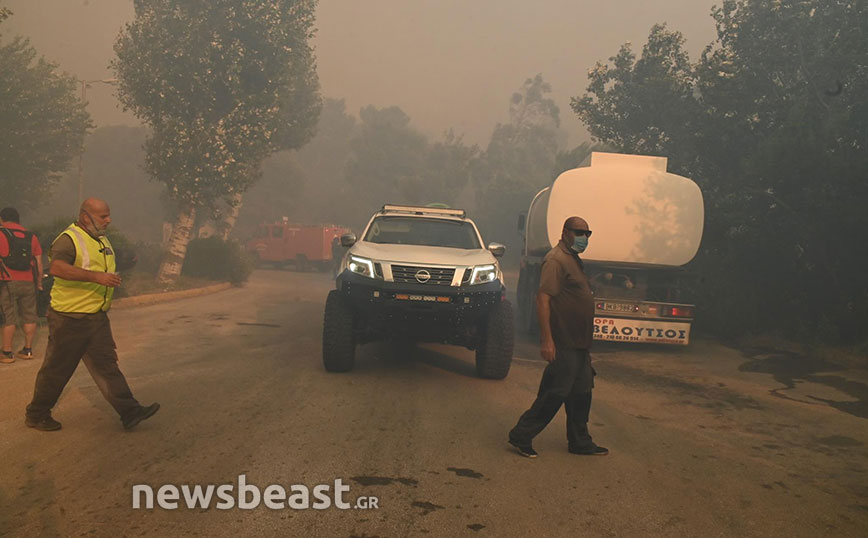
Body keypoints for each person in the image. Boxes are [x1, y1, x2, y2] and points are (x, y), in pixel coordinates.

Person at [24, 198, 159, 431]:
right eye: (103, 216)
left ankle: (130, 412)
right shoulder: (68, 239)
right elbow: (56, 268)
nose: (109, 220)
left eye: (108, 215)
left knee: (106, 365)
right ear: (86, 216)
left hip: (95, 316)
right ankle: (36, 414)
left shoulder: (101, 239)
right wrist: (96, 277)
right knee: (57, 369)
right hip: (69, 318)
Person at [508, 216, 608, 458]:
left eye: (587, 233)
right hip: (564, 340)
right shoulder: (556, 260)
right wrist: (547, 340)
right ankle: (521, 435)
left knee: (582, 392)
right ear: (565, 232)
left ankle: (580, 441)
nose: (583, 237)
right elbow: (543, 299)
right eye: (578, 232)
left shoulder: (573, 259)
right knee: (555, 392)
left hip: (580, 342)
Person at [0, 207, 43, 363]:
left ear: (2, 219)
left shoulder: (1, 233)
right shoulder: (31, 237)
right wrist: (39, 283)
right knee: (29, 315)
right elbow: (38, 263)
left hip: (8, 281)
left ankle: (6, 353)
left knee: (9, 316)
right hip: (28, 281)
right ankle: (27, 350)